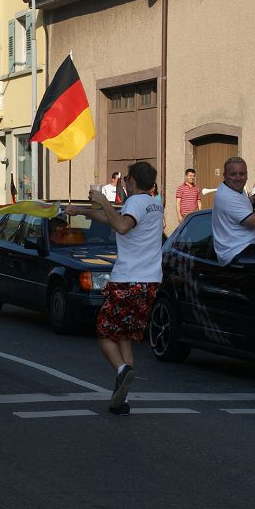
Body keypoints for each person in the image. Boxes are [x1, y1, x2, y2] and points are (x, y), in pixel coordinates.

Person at [65, 161, 164, 415]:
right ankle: (121, 399)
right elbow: (115, 220)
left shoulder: (134, 203)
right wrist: (83, 211)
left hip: (128, 279)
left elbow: (121, 225)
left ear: (131, 182)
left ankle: (122, 370)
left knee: (104, 333)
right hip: (150, 281)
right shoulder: (155, 203)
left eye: (127, 180)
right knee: (124, 336)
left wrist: (102, 199)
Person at [212, 156, 255, 266]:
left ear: (246, 175)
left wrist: (254, 200)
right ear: (225, 176)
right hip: (238, 253)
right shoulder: (227, 196)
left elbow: (239, 207)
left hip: (244, 247)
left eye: (242, 174)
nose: (238, 178)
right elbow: (254, 221)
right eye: (233, 174)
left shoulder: (233, 189)